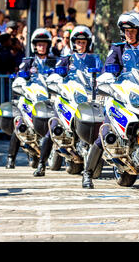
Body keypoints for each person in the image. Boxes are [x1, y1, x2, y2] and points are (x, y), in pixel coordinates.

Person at [81, 12, 139, 189]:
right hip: (120, 97)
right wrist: (108, 78)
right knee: (105, 133)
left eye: (133, 30)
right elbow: (108, 69)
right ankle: (87, 174)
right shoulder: (118, 48)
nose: (129, 34)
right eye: (126, 30)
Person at [33, 25, 101, 177]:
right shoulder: (66, 59)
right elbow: (55, 74)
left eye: (83, 42)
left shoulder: (94, 59)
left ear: (88, 43)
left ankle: (91, 163)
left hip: (88, 100)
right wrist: (56, 78)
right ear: (73, 43)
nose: (80, 45)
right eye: (78, 42)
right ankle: (42, 164)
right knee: (53, 127)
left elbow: (101, 75)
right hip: (68, 100)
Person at [5, 28, 55, 169]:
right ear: (34, 46)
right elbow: (19, 79)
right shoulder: (28, 62)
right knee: (20, 125)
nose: (42, 47)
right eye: (39, 44)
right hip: (29, 100)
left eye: (44, 44)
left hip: (48, 100)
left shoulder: (54, 62)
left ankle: (43, 157)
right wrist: (22, 79)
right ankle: (10, 158)